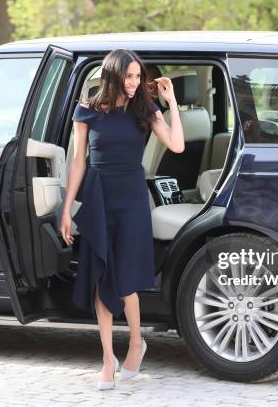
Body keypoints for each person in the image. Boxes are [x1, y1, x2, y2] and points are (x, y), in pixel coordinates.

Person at [59, 49, 184, 390]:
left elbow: (177, 146)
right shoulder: (87, 109)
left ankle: (135, 343)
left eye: (137, 77)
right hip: (99, 197)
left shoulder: (144, 108)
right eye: (128, 77)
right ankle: (106, 359)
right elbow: (78, 163)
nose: (133, 83)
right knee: (101, 275)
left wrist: (170, 102)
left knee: (126, 281)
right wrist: (68, 208)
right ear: (113, 75)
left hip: (131, 198)